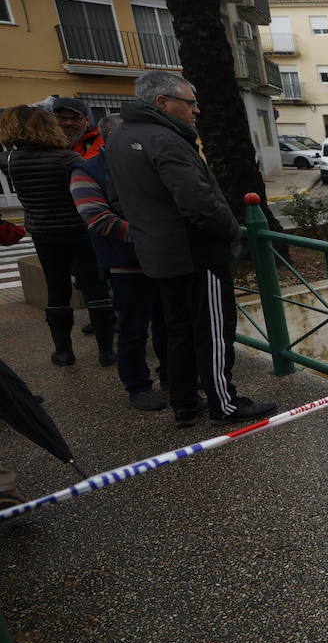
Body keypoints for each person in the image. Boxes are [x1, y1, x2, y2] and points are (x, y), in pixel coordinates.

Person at [105, 71, 276, 428]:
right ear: (162, 103)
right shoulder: (165, 140)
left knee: (178, 330)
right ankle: (224, 405)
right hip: (197, 254)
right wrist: (230, 229)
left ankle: (184, 403)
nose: (196, 110)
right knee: (213, 332)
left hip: (158, 255)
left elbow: (118, 199)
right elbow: (198, 203)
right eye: (190, 103)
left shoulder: (120, 137)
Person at [0, 105, 115, 366]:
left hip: (43, 233)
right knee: (94, 286)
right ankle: (106, 351)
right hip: (79, 229)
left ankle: (63, 352)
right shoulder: (69, 159)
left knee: (57, 288)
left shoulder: (9, 162)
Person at [69, 114, 169, 411]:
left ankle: (172, 375)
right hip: (126, 263)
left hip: (161, 259)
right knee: (133, 328)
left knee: (167, 323)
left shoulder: (142, 162)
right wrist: (152, 235)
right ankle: (137, 385)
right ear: (112, 138)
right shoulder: (85, 171)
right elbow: (98, 219)